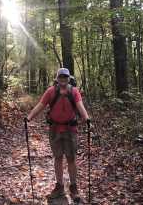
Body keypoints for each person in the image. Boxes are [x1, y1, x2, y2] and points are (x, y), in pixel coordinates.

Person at [25, 67, 90, 201]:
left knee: (71, 158)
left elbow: (80, 106)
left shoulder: (74, 92)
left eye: (65, 77)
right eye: (60, 77)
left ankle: (73, 186)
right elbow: (41, 105)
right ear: (57, 78)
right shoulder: (51, 91)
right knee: (58, 158)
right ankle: (59, 186)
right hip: (55, 129)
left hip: (70, 130)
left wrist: (87, 118)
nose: (63, 79)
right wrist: (29, 117)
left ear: (68, 78)